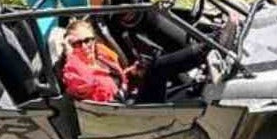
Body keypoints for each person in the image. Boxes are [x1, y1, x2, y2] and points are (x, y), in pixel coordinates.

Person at [60, 18, 208, 104]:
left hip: (131, 99)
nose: (85, 46)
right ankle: (207, 47)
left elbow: (117, 80)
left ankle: (211, 49)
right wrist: (69, 52)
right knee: (157, 69)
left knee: (193, 91)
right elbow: (85, 83)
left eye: (88, 40)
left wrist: (132, 73)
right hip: (121, 116)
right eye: (78, 44)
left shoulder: (101, 57)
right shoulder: (74, 73)